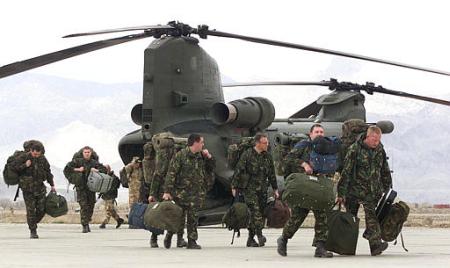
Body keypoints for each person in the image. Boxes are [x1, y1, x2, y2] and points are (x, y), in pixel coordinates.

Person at [277, 124, 333, 257]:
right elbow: (289, 159)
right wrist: (304, 164)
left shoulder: (326, 148)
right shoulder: (304, 145)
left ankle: (320, 247)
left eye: (321, 132)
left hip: (318, 188)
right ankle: (283, 239)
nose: (319, 134)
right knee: (298, 216)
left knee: (322, 217)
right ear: (311, 134)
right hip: (304, 187)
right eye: (317, 131)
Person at [337, 125, 392, 256]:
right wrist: (341, 193)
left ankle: (375, 245)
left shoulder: (380, 150)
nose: (376, 142)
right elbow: (346, 172)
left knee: (372, 217)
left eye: (378, 140)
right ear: (367, 137)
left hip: (371, 191)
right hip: (353, 191)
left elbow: (384, 169)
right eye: (374, 139)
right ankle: (346, 247)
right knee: (351, 219)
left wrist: (387, 187)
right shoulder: (354, 149)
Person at [162, 134, 215, 249]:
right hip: (181, 193)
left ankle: (192, 241)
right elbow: (171, 174)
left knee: (193, 218)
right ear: (195, 143)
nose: (203, 144)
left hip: (196, 193)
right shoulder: (180, 156)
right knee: (178, 218)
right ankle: (169, 235)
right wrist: (167, 191)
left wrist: (209, 157)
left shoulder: (201, 156)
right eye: (202, 142)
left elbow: (211, 168)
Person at [231, 133, 279, 247]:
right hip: (249, 189)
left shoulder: (267, 156)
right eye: (264, 143)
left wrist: (275, 188)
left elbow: (272, 174)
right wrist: (234, 186)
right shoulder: (247, 155)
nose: (267, 145)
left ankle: (250, 239)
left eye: (267, 142)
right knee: (255, 211)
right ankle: (259, 234)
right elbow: (239, 171)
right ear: (257, 143)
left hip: (262, 189)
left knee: (260, 213)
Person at [147, 136, 186, 248]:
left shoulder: (182, 155)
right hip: (163, 190)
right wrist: (152, 194)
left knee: (179, 215)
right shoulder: (164, 155)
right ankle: (154, 238)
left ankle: (177, 238)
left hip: (177, 189)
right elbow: (157, 175)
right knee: (160, 215)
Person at [10, 142, 55, 239]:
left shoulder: (43, 159)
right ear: (31, 151)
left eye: (38, 154)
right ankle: (33, 230)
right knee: (31, 210)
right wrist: (25, 165)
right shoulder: (23, 157)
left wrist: (52, 185)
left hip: (40, 188)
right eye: (35, 154)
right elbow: (13, 168)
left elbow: (48, 172)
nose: (36, 156)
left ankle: (32, 222)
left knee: (42, 209)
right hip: (28, 189)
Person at [65, 146, 107, 233]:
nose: (87, 154)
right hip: (81, 187)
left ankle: (87, 221)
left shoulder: (94, 162)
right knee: (84, 206)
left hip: (91, 188)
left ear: (91, 153)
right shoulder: (77, 161)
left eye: (88, 152)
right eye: (85, 152)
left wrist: (96, 170)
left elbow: (104, 169)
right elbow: (67, 169)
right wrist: (77, 169)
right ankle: (85, 225)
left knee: (91, 205)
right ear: (82, 153)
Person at [99, 165, 124, 229]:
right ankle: (119, 220)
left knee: (108, 209)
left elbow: (113, 188)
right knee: (111, 209)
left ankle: (104, 223)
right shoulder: (104, 177)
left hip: (111, 196)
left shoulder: (114, 178)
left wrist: (106, 191)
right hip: (106, 196)